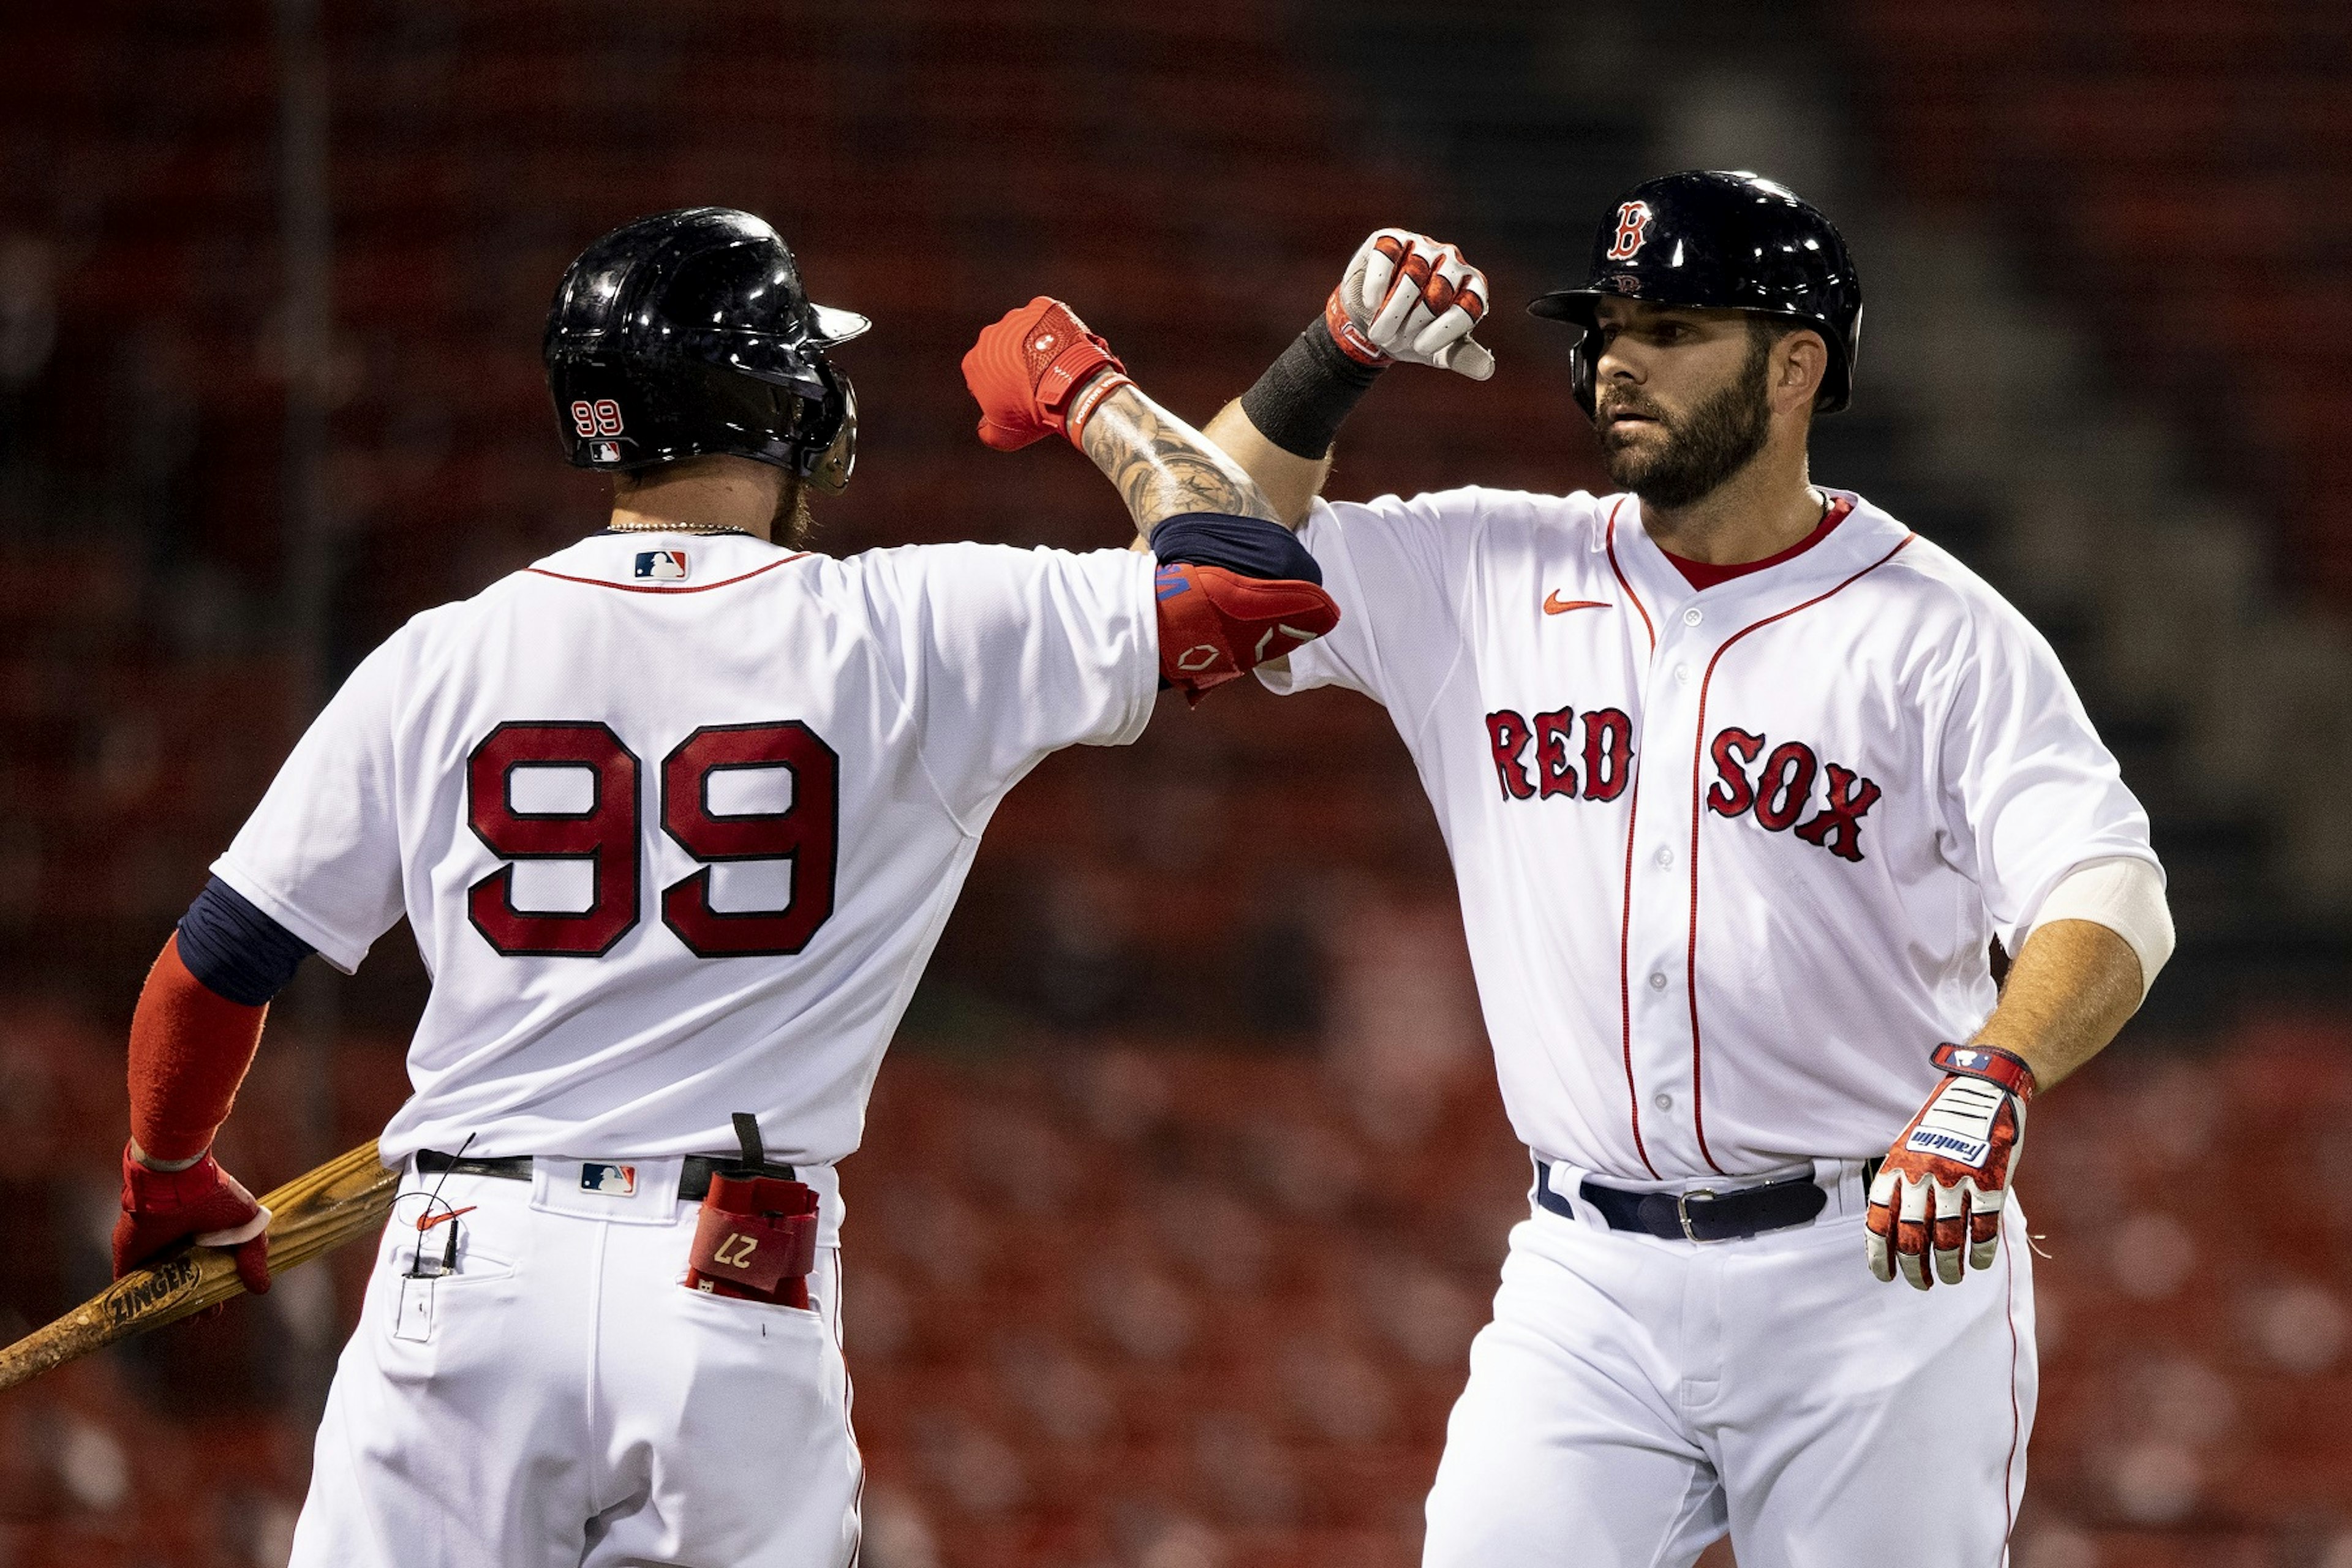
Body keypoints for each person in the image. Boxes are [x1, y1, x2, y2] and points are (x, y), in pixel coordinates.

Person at [105, 206, 1335, 1568]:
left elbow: (210, 967)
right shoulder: (906, 628)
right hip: (728, 1286)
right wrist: (1084, 389)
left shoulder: (439, 654)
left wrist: (171, 1174)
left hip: (465, 1266)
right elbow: (1247, 585)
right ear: (787, 399)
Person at [1167, 174, 2174, 1564]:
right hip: (1584, 1270)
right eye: (1611, 325)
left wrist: (1996, 1073)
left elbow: (2109, 887)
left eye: (1676, 327)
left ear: (1797, 366)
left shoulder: (1938, 631)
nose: (1620, 360)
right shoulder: (1488, 566)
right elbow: (1200, 561)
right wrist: (1329, 358)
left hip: (1868, 1273)